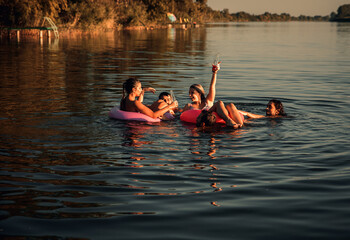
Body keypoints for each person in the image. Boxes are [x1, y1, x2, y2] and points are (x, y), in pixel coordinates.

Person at [197, 99, 286, 128]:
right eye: (267, 106)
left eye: (270, 107)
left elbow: (252, 115)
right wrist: (236, 111)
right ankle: (230, 120)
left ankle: (229, 120)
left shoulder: (271, 119)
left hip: (240, 127)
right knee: (230, 105)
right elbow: (248, 114)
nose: (266, 108)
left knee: (221, 103)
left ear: (277, 111)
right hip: (239, 126)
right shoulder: (268, 119)